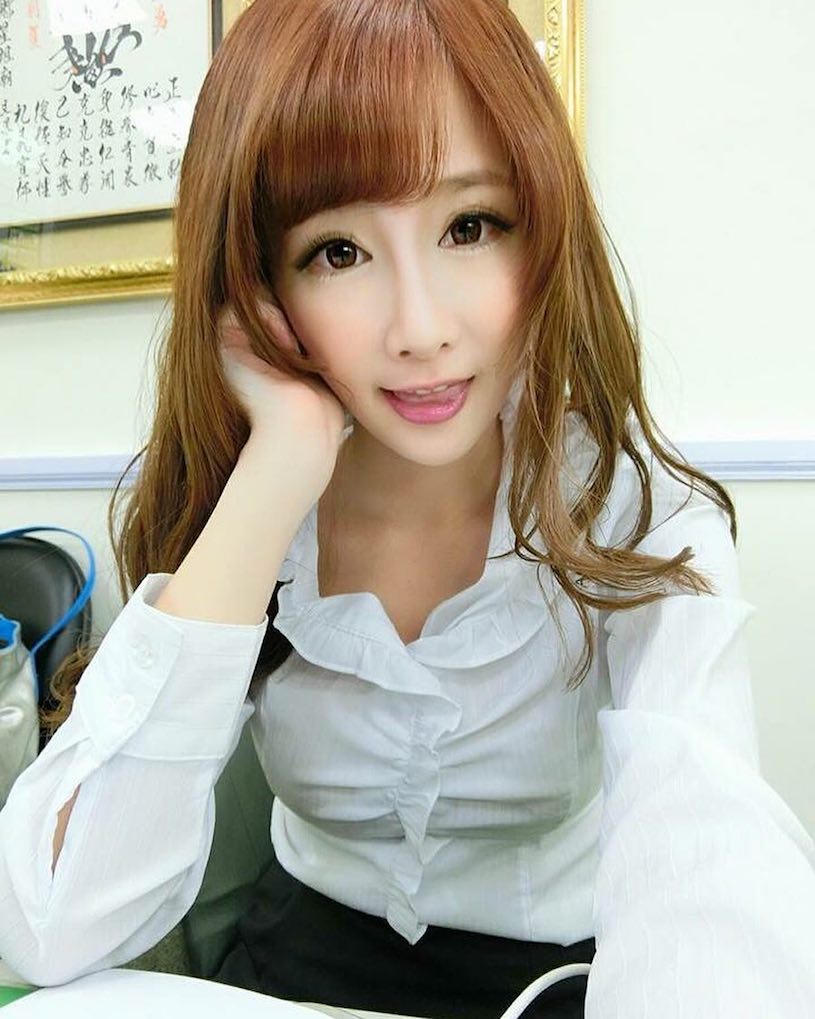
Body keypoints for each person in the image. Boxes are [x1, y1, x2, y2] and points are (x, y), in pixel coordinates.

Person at [1, 0, 814, 1016]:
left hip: (559, 973)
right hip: (295, 962)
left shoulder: (632, 507)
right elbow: (53, 927)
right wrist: (276, 468)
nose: (420, 328)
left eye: (469, 227)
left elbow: (706, 857)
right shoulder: (246, 495)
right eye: (337, 252)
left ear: (541, 228)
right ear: (257, 285)